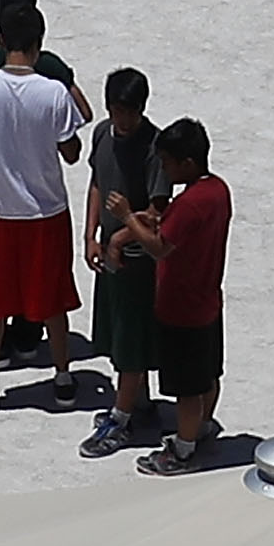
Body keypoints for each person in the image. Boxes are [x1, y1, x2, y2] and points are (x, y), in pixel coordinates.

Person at [0, 0, 83, 406]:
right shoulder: (55, 92)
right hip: (48, 212)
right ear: (39, 42)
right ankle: (62, 378)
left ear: (1, 38)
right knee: (53, 298)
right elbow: (71, 151)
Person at [115, 117, 227, 476]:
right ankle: (201, 429)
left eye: (168, 162)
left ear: (188, 163)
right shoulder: (218, 191)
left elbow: (159, 248)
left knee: (186, 388)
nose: (164, 169)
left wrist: (127, 219)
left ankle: (182, 450)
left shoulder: (190, 203)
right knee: (208, 375)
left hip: (182, 310)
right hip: (208, 301)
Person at [78, 68, 165, 460]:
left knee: (131, 343)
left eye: (130, 112)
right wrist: (90, 234)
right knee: (118, 337)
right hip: (111, 260)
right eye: (116, 110)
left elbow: (157, 209)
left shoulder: (154, 147)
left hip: (137, 261)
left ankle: (122, 417)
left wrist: (119, 236)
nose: (122, 120)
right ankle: (139, 402)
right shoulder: (102, 134)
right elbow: (97, 182)